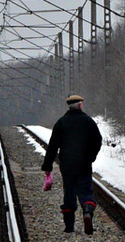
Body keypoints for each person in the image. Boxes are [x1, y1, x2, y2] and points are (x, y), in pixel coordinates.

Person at [42, 94, 103, 234]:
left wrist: (47, 166)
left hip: (67, 165)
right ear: (80, 105)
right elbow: (98, 140)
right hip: (84, 164)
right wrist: (91, 156)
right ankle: (87, 212)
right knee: (86, 191)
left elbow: (52, 146)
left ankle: (69, 227)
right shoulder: (88, 121)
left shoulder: (61, 122)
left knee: (69, 193)